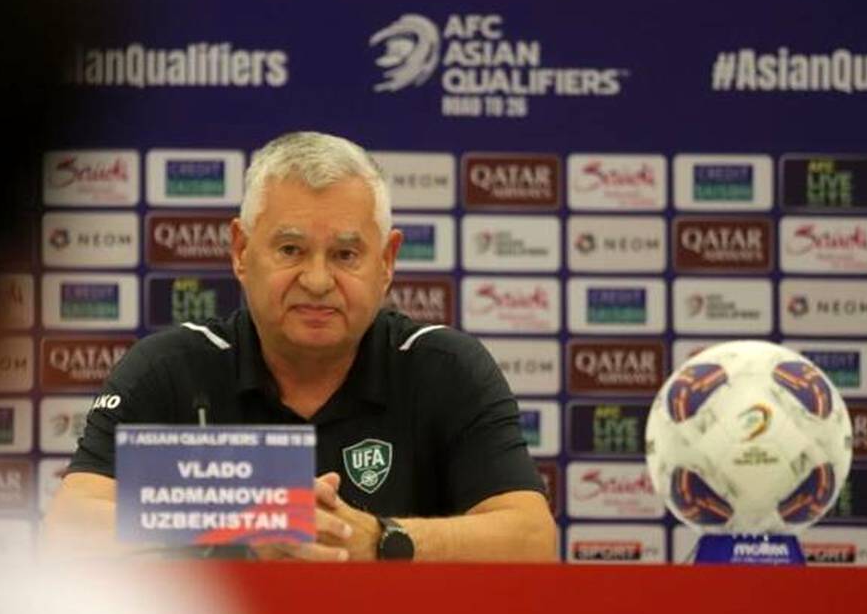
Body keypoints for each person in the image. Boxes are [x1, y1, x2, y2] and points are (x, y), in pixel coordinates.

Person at [44, 131, 556, 562]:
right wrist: (244, 530)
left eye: (345, 255)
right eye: (291, 250)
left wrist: (380, 540)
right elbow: (67, 529)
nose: (317, 280)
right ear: (241, 251)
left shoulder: (445, 369)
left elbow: (533, 539)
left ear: (387, 261)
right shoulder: (169, 369)